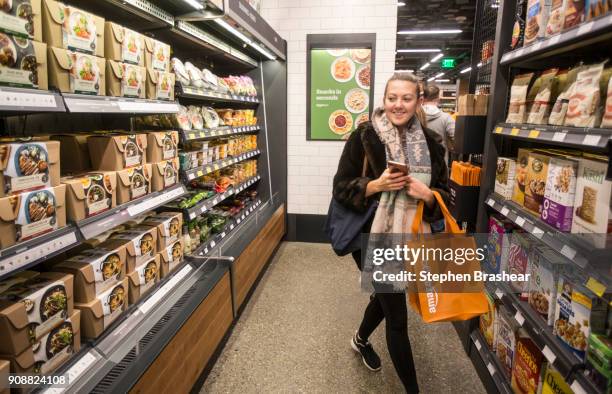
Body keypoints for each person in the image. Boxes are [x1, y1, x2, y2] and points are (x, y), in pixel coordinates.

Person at [332, 72, 450, 393]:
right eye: (392, 98)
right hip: (372, 237)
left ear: (418, 101)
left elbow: (444, 195)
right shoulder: (364, 137)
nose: (398, 105)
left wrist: (428, 195)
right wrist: (376, 185)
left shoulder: (432, 145)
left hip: (413, 237)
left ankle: (359, 339)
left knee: (385, 299)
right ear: (384, 100)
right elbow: (341, 188)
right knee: (397, 318)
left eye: (406, 98)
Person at [422, 83, 455, 165]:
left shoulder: (414, 116)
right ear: (438, 98)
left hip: (418, 163)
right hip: (440, 164)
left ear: (423, 98)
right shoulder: (446, 118)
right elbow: (456, 139)